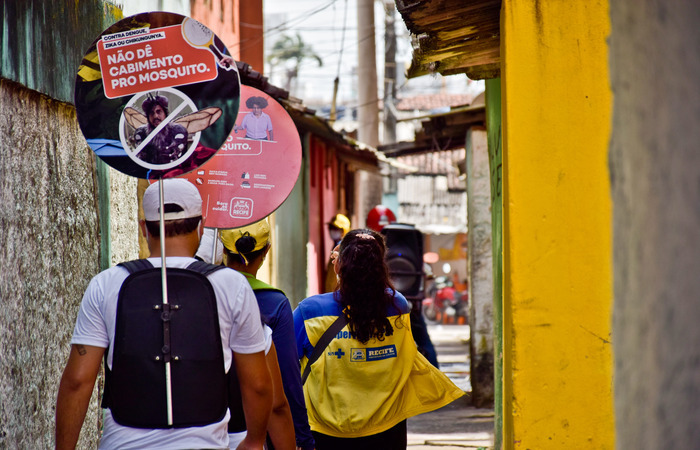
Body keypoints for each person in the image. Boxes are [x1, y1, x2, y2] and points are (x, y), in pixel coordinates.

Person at [55, 178, 272, 449]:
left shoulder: (106, 284)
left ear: (144, 228)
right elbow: (259, 385)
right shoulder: (233, 286)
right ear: (201, 227)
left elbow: (77, 381)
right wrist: (254, 440)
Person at [293, 229, 464, 449]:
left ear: (339, 264)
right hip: (387, 429)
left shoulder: (310, 311)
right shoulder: (398, 306)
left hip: (327, 431)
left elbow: (285, 369)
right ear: (381, 265)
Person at [219, 221, 316, 450]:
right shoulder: (275, 303)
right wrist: (302, 437)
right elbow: (287, 378)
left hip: (200, 423)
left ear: (224, 250)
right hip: (249, 431)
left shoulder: (204, 290)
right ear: (266, 250)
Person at [131, 93, 189, 164]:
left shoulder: (178, 130)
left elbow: (179, 155)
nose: (155, 116)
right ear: (148, 117)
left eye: (159, 112)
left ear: (165, 113)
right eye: (151, 113)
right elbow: (140, 156)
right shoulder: (141, 132)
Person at [324, 213, 350, 293]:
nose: (331, 231)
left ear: (343, 231)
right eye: (330, 227)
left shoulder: (344, 249)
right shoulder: (336, 246)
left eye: (335, 228)